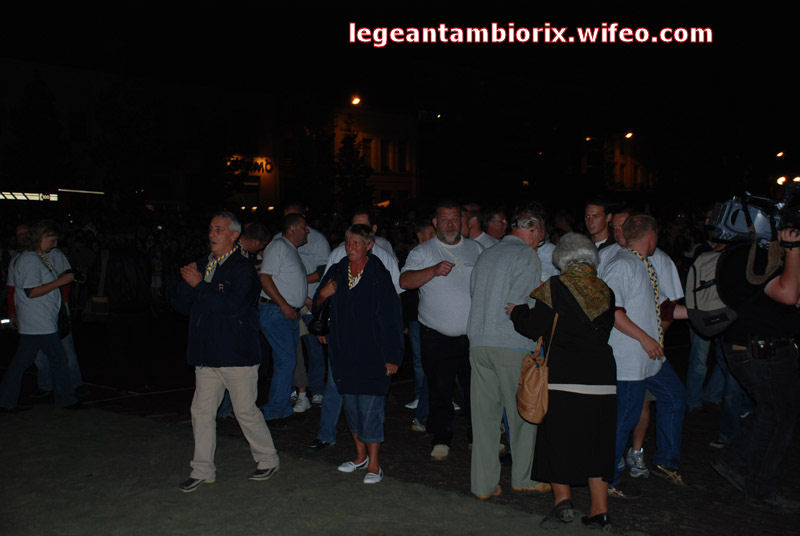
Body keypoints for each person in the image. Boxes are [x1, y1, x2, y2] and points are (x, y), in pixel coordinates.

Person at [509, 232, 617, 531]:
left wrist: (517, 312)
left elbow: (534, 327)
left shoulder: (555, 286)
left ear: (562, 260)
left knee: (558, 442)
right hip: (603, 378)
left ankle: (563, 503)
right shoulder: (606, 290)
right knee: (598, 445)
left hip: (565, 377)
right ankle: (600, 511)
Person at [172, 211, 279, 493]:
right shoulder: (203, 264)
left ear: (234, 235)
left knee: (245, 411)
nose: (212, 234)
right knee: (201, 412)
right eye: (210, 228)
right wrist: (187, 285)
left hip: (236, 354)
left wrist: (199, 286)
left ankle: (268, 458)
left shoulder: (243, 269)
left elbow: (231, 306)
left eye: (219, 229)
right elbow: (181, 305)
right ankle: (202, 469)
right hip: (206, 353)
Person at [712, 226, 800, 513]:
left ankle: (735, 462)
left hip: (758, 347)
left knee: (772, 412)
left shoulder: (747, 253)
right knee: (779, 415)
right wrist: (793, 249)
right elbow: (788, 294)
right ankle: (760, 487)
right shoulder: (751, 255)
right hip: (760, 349)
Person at [599, 215, 688, 496]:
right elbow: (613, 312)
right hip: (629, 359)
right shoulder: (622, 265)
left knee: (674, 395)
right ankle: (607, 479)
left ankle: (665, 460)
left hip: (649, 357)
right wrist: (645, 338)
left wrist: (702, 315)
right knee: (625, 418)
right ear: (651, 236)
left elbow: (660, 309)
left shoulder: (643, 264)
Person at [467, 205, 550, 500]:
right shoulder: (526, 255)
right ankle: (524, 477)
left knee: (484, 419)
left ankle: (483, 484)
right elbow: (520, 305)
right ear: (532, 230)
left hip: (479, 341)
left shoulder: (487, 254)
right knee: (522, 414)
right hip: (511, 343)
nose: (538, 244)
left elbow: (475, 294)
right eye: (539, 238)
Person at [305, 212, 402, 451]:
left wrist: (392, 355)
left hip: (372, 348)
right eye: (348, 242)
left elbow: (392, 314)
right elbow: (318, 302)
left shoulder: (379, 270)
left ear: (369, 244)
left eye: (356, 243)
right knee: (344, 397)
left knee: (370, 403)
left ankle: (373, 461)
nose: (350, 247)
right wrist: (323, 295)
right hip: (343, 346)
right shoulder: (338, 268)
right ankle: (352, 451)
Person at [400, 201, 483, 460]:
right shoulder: (423, 251)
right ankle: (441, 439)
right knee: (439, 391)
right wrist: (433, 270)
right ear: (435, 223)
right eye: (444, 219)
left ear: (462, 221)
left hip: (472, 336)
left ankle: (478, 438)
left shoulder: (476, 249)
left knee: (476, 392)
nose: (450, 224)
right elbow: (404, 281)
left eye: (454, 219)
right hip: (436, 336)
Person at [0, 221, 78, 411]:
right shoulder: (30, 260)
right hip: (39, 321)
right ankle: (66, 399)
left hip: (38, 320)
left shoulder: (34, 257)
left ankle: (6, 401)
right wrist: (61, 281)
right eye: (52, 240)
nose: (55, 245)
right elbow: (32, 291)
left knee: (22, 362)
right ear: (40, 238)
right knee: (58, 359)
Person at [259, 213, 309, 422]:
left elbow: (286, 281)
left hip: (287, 312)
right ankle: (275, 410)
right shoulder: (279, 246)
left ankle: (281, 409)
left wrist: (303, 299)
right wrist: (284, 305)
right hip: (277, 312)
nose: (307, 231)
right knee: (286, 360)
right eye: (304, 227)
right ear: (292, 229)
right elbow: (265, 277)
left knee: (287, 361)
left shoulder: (290, 250)